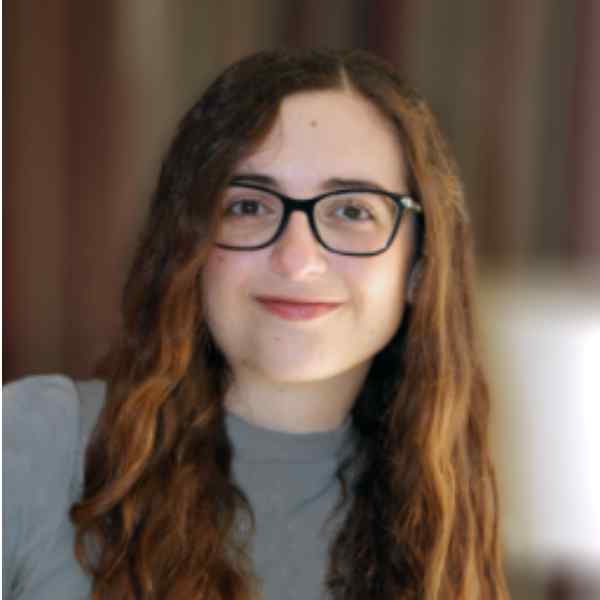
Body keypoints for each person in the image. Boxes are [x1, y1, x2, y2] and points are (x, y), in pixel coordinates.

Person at [3, 48, 509, 599]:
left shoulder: (447, 530)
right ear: (188, 246)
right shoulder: (38, 440)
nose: (297, 259)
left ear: (420, 266)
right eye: (249, 206)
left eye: (352, 211)